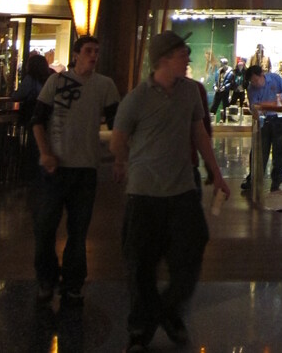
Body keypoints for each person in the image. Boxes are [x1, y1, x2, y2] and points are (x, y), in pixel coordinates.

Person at [110, 30, 229, 353]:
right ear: (164, 60)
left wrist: (216, 174)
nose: (188, 58)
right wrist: (130, 162)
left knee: (192, 249)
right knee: (140, 263)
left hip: (182, 190)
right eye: (182, 53)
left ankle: (166, 310)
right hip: (144, 194)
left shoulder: (190, 91)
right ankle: (141, 329)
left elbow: (199, 133)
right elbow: (118, 140)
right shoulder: (137, 98)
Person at [31, 35, 120, 306]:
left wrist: (121, 156)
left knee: (78, 232)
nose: (93, 56)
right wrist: (45, 152)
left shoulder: (104, 85)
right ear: (76, 54)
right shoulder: (56, 82)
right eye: (88, 51)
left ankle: (72, 283)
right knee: (45, 228)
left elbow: (118, 124)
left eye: (97, 51)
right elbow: (38, 120)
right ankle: (47, 278)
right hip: (55, 168)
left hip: (85, 168)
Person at [240, 63, 282, 193]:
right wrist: (257, 112)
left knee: (279, 151)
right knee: (259, 150)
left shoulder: (275, 78)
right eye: (252, 82)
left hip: (279, 119)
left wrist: (281, 97)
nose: (255, 83)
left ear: (262, 75)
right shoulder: (251, 89)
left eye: (256, 80)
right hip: (264, 121)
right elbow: (254, 106)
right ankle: (254, 178)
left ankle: (276, 182)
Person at [209, 57, 234, 123]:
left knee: (225, 107)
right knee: (214, 106)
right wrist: (214, 87)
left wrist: (225, 87)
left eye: (222, 64)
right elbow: (216, 81)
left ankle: (225, 121)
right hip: (218, 91)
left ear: (225, 64)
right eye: (221, 64)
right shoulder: (218, 72)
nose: (221, 65)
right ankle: (210, 120)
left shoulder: (231, 73)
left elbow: (231, 83)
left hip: (225, 92)